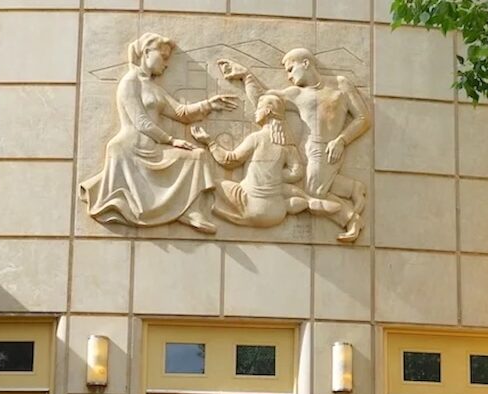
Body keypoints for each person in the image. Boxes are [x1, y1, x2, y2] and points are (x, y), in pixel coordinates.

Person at [79, 33, 239, 234]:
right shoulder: (130, 82)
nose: (166, 64)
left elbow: (180, 112)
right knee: (194, 156)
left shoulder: (153, 87)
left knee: (198, 156)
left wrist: (208, 104)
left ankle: (191, 210)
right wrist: (171, 140)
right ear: (147, 52)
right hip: (131, 150)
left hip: (152, 149)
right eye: (163, 57)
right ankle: (183, 210)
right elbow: (141, 122)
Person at [217, 48, 370, 242]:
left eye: (290, 69)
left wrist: (342, 140)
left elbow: (363, 118)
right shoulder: (296, 94)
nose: (288, 76)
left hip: (330, 149)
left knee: (313, 191)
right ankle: (352, 189)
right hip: (307, 149)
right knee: (299, 187)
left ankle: (351, 218)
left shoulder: (341, 84)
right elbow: (265, 100)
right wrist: (246, 76)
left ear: (305, 63)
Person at [189, 94, 323, 228]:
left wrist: (209, 142)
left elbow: (229, 161)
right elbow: (297, 172)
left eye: (259, 108)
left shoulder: (257, 138)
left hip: (251, 205)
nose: (255, 112)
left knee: (212, 183)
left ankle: (195, 214)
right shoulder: (287, 143)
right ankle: (300, 203)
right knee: (282, 190)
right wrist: (274, 176)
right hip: (277, 213)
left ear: (267, 111)